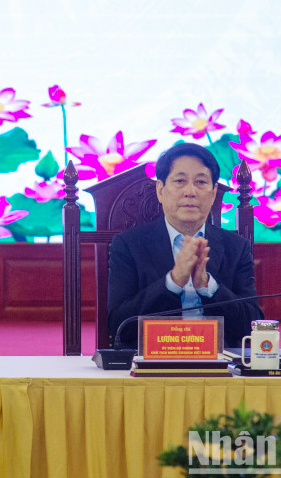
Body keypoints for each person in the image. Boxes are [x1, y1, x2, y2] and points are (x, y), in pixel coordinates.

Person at [108, 142, 263, 348]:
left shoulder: (236, 248)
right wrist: (172, 282)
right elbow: (118, 325)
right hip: (151, 364)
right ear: (161, 190)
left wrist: (209, 287)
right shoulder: (128, 245)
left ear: (214, 192)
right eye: (180, 181)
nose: (190, 191)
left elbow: (253, 326)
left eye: (201, 182)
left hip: (221, 366)